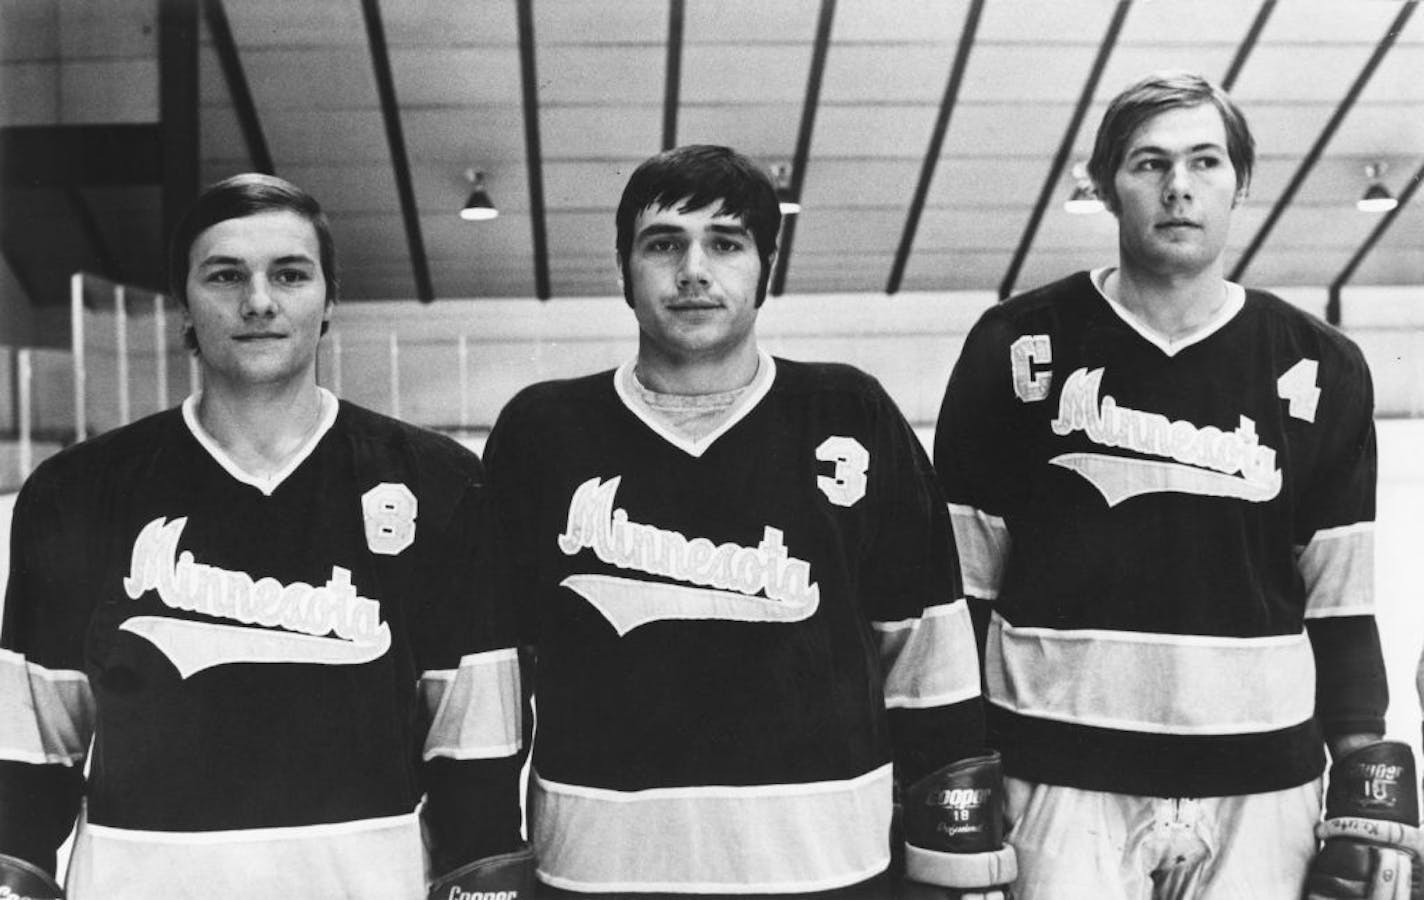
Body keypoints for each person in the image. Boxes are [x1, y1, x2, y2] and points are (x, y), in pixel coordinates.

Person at [482, 144, 1013, 897]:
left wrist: (956, 860)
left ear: (767, 264)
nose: (693, 270)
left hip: (828, 865)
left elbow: (927, 655)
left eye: (725, 244)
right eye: (663, 244)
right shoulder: (542, 431)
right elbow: (500, 674)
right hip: (597, 867)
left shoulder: (851, 413)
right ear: (623, 268)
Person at [934, 70, 1400, 898]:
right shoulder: (1016, 344)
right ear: (1107, 184)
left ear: (1240, 181)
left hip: (1265, 780)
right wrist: (952, 767)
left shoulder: (1322, 365)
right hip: (1058, 775)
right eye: (1149, 163)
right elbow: (961, 589)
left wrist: (1365, 766)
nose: (1178, 188)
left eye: (1205, 162)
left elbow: (1338, 599)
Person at [0, 174, 528, 899]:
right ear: (183, 302)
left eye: (289, 273)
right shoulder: (77, 492)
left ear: (328, 299)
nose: (258, 300)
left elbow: (476, 746)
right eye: (225, 276)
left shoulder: (438, 483)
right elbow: (30, 754)